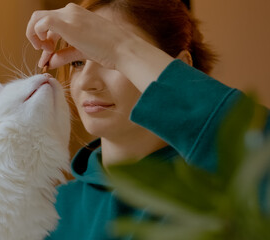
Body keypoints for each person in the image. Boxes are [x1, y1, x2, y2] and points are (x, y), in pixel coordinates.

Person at [26, 0, 270, 239]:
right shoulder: (46, 212)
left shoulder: (226, 192)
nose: (87, 82)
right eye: (78, 62)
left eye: (108, 59)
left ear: (180, 67)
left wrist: (121, 48)